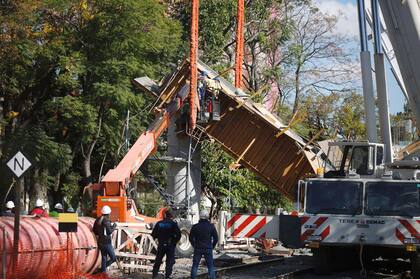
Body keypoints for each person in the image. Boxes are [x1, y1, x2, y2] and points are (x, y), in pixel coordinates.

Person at [151, 209, 181, 279]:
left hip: (161, 244)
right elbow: (179, 235)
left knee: (158, 260)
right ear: (171, 216)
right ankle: (167, 276)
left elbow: (153, 234)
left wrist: (159, 237)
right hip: (170, 245)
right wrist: (174, 242)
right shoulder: (173, 224)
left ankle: (154, 275)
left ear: (165, 215)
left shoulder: (159, 223)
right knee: (169, 261)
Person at [189, 210, 218, 279]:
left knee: (195, 265)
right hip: (208, 248)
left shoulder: (195, 226)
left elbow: (190, 238)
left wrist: (194, 245)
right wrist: (212, 246)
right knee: (210, 266)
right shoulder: (211, 226)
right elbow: (216, 238)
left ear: (200, 216)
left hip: (198, 248)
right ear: (207, 217)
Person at [93, 205, 117, 273]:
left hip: (100, 242)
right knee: (113, 258)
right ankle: (101, 270)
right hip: (106, 243)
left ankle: (103, 273)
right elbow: (109, 232)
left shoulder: (97, 219)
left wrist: (100, 235)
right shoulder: (107, 220)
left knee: (104, 258)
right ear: (109, 213)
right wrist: (114, 226)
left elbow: (94, 230)